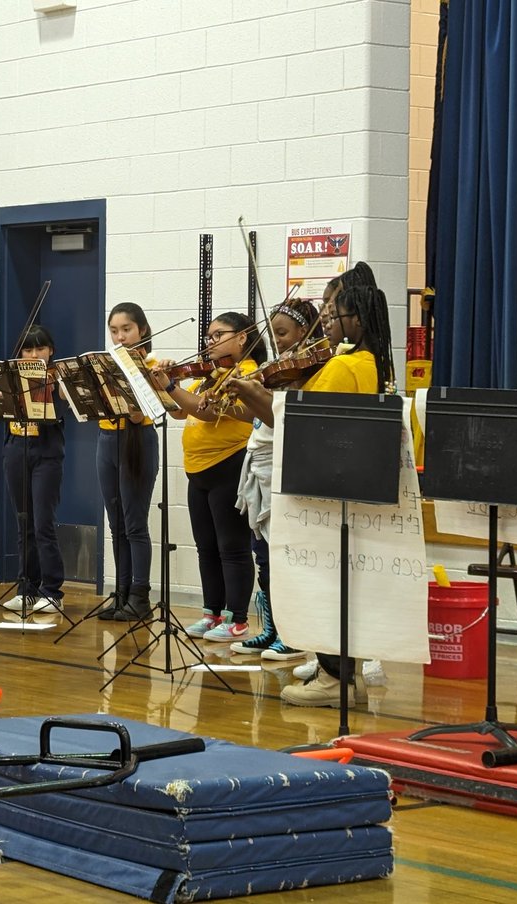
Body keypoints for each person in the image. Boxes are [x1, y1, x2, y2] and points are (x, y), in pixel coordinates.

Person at [230, 274, 395, 708]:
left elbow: (302, 428)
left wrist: (252, 395)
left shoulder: (343, 366)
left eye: (334, 310)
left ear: (355, 317)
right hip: (353, 485)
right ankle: (341, 672)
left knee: (327, 585)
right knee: (342, 587)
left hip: (327, 487)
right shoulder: (370, 361)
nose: (327, 317)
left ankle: (332, 679)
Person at [155, 313, 265, 642]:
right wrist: (159, 382)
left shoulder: (247, 375)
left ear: (243, 337)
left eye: (218, 335)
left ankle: (237, 619)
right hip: (198, 469)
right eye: (208, 336)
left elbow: (205, 410)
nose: (211, 342)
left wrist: (171, 384)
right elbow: (179, 409)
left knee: (232, 547)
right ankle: (211, 613)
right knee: (206, 547)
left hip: (228, 464)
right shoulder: (212, 374)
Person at [225, 298, 323, 661]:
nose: (278, 341)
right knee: (262, 554)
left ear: (303, 332)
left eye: (283, 333)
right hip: (260, 465)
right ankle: (271, 629)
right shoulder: (275, 369)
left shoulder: (311, 371)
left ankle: (294, 634)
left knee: (284, 555)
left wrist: (260, 392)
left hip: (286, 466)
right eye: (275, 333)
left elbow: (282, 417)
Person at [96, 303, 160, 622]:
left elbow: (146, 412)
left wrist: (135, 407)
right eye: (114, 331)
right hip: (107, 439)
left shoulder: (151, 365)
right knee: (116, 524)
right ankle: (120, 596)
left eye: (126, 330)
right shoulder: (106, 365)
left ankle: (140, 597)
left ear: (142, 330)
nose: (119, 336)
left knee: (135, 524)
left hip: (139, 441)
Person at [2, 326, 67, 613]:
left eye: (40, 348)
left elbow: (70, 402)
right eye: (27, 350)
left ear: (50, 350)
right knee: (23, 522)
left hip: (47, 454)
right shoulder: (12, 378)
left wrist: (57, 385)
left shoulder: (57, 377)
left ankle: (51, 590)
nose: (34, 354)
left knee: (43, 524)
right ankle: (26, 588)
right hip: (16, 449)